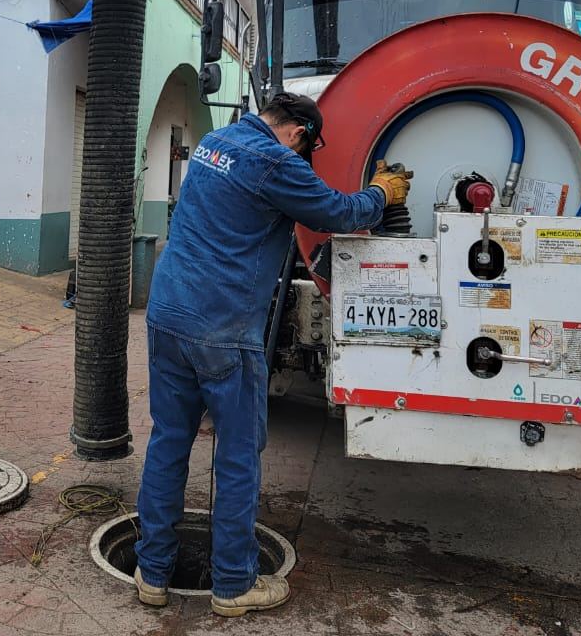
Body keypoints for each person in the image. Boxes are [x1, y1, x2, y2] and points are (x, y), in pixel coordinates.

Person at [132, 92, 412, 618]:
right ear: (298, 133)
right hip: (223, 325)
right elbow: (340, 212)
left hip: (167, 311)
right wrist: (383, 190)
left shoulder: (214, 142)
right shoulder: (276, 160)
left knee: (169, 440)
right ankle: (234, 584)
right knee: (237, 453)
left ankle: (152, 573)